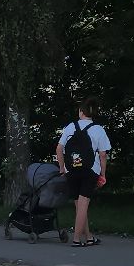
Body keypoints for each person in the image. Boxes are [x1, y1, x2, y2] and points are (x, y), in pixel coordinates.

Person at [55, 102, 111, 247]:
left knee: (79, 206)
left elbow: (59, 149)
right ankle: (76, 239)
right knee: (83, 205)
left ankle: (89, 237)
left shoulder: (70, 126)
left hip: (71, 170)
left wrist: (62, 168)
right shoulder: (98, 129)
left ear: (81, 112)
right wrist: (103, 174)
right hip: (90, 170)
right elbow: (103, 154)